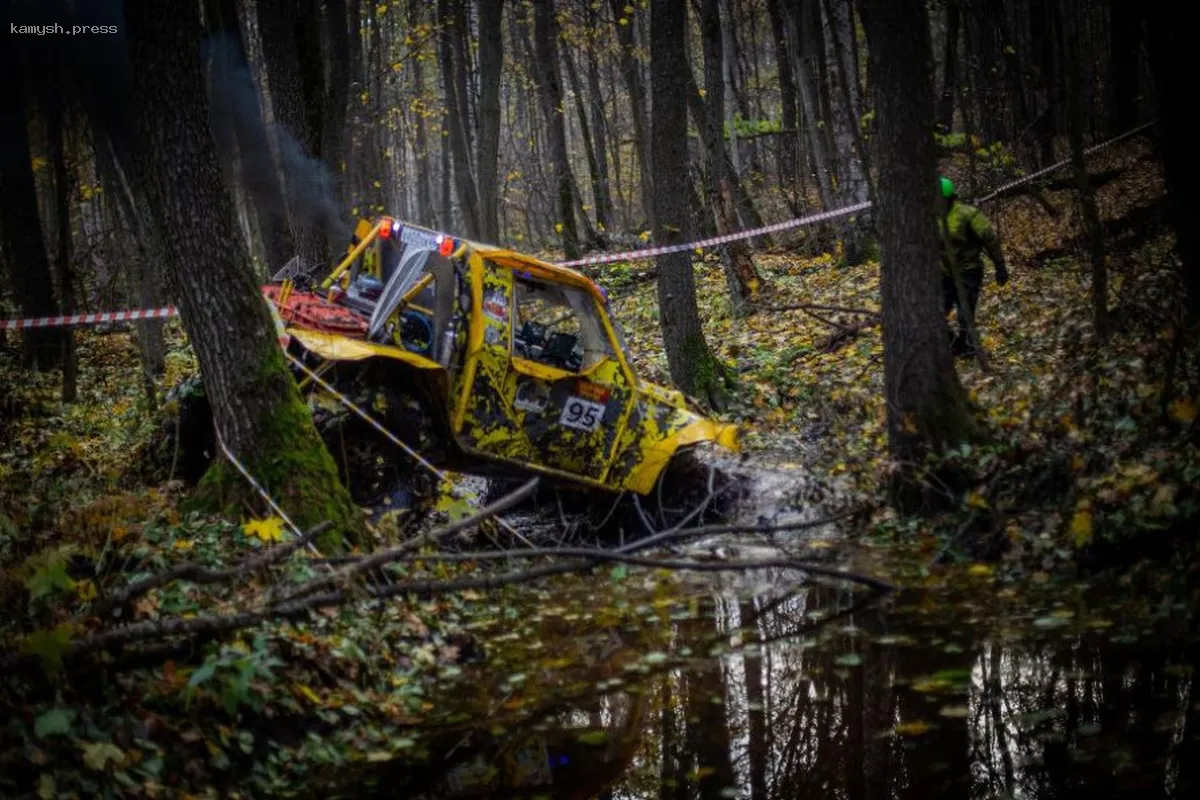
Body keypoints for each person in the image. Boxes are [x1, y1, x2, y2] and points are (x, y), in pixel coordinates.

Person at [938, 176, 1008, 357]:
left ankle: (967, 348)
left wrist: (1000, 264)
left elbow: (989, 237)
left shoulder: (968, 214)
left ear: (948, 198)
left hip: (969, 271)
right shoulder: (930, 217)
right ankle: (955, 344)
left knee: (964, 313)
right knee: (935, 312)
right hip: (945, 273)